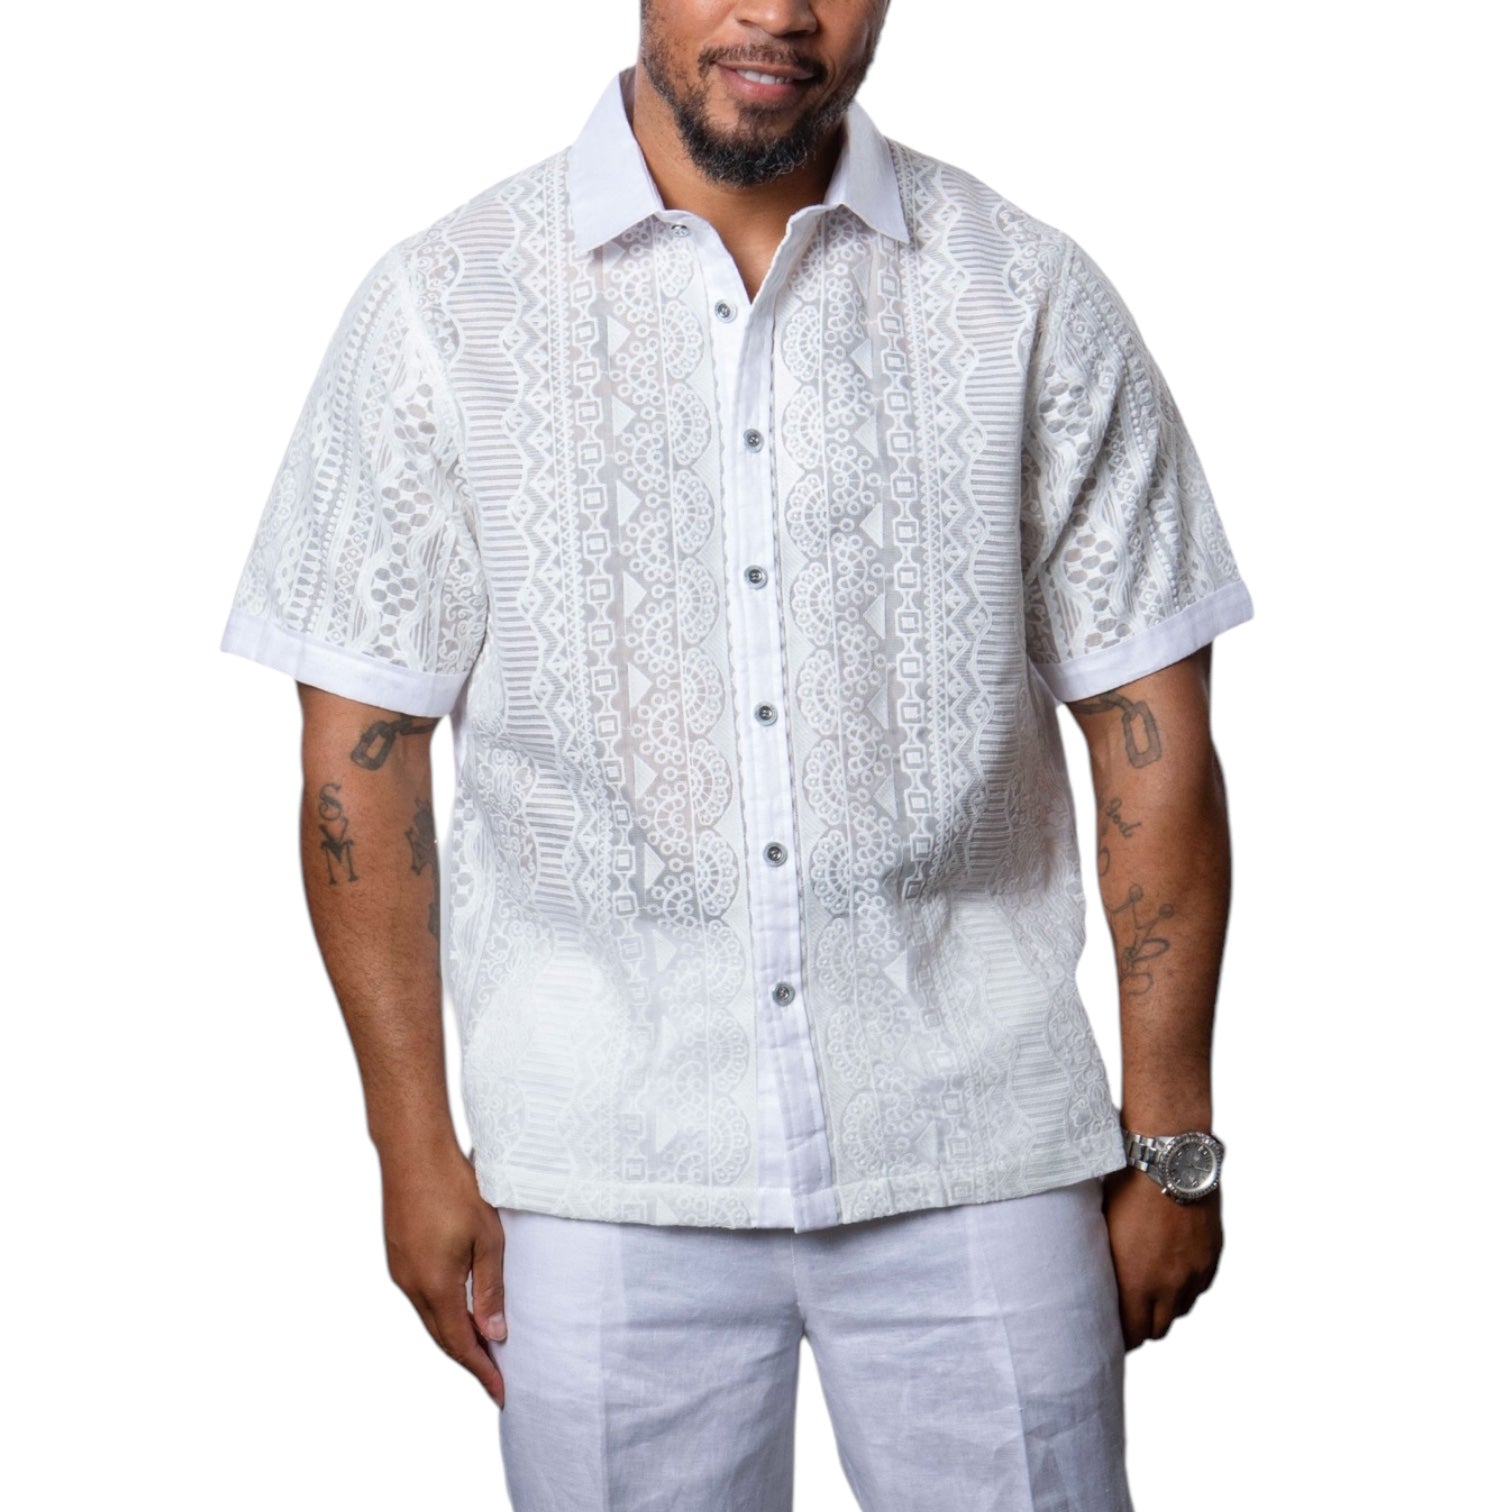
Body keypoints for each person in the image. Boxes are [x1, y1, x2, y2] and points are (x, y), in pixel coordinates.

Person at [219, 1, 1253, 1505]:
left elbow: (1151, 737)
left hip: (981, 1149)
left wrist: (1173, 1138)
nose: (779, 10)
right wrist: (411, 1147)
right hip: (601, 1169)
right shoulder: (447, 304)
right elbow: (359, 770)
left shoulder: (1024, 292)